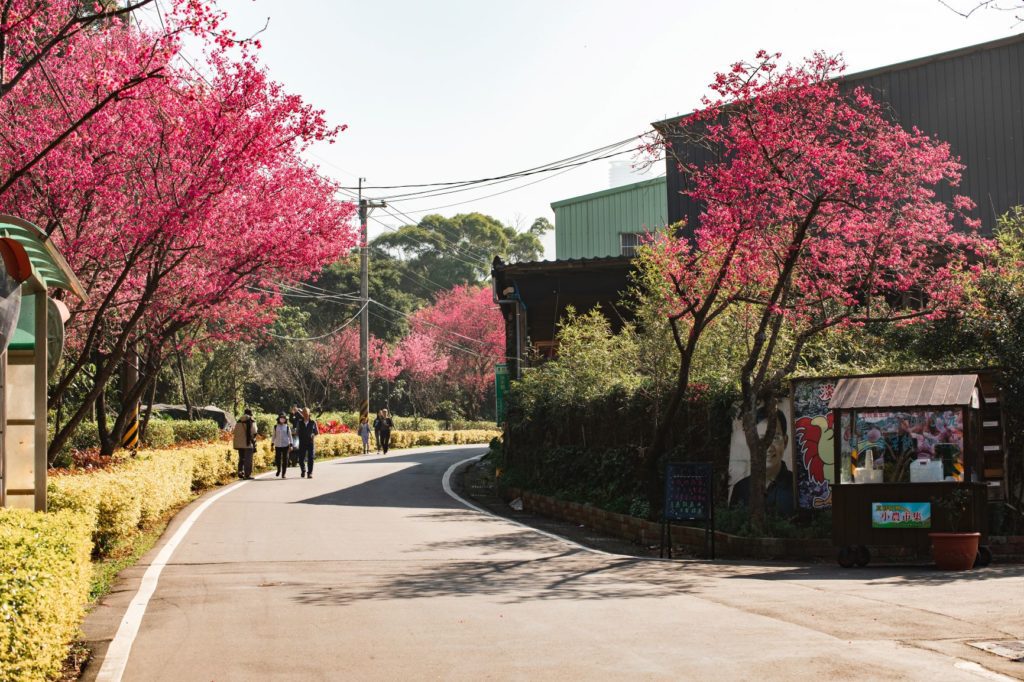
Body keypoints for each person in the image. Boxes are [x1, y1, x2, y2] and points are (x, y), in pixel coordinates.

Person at [729, 408, 794, 516]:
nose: (769, 447)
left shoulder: (798, 489)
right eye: (761, 438)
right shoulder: (741, 488)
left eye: (775, 438)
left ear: (785, 441)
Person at [233, 408, 257, 480]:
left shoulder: (238, 421)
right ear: (251, 414)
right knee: (248, 460)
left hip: (239, 443)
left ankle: (240, 471)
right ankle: (247, 475)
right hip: (248, 443)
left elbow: (235, 432)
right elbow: (254, 432)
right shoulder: (251, 421)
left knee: (241, 458)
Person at [295, 407, 319, 478]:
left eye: (307, 414)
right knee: (301, 459)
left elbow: (317, 432)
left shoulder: (313, 422)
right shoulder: (299, 422)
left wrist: (313, 434)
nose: (305, 415)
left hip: (310, 442)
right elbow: (297, 432)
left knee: (310, 458)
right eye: (304, 414)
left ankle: (310, 473)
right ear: (302, 414)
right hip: (302, 442)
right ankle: (303, 470)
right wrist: (297, 433)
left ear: (309, 414)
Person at [272, 413, 292, 478]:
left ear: (285, 419)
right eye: (281, 418)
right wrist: (272, 444)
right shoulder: (275, 427)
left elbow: (290, 436)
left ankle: (283, 473)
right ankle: (278, 470)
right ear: (279, 419)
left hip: (285, 445)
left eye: (283, 418)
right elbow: (273, 436)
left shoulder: (287, 427)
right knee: (278, 459)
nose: (282, 419)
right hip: (277, 445)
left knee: (285, 459)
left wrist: (291, 445)